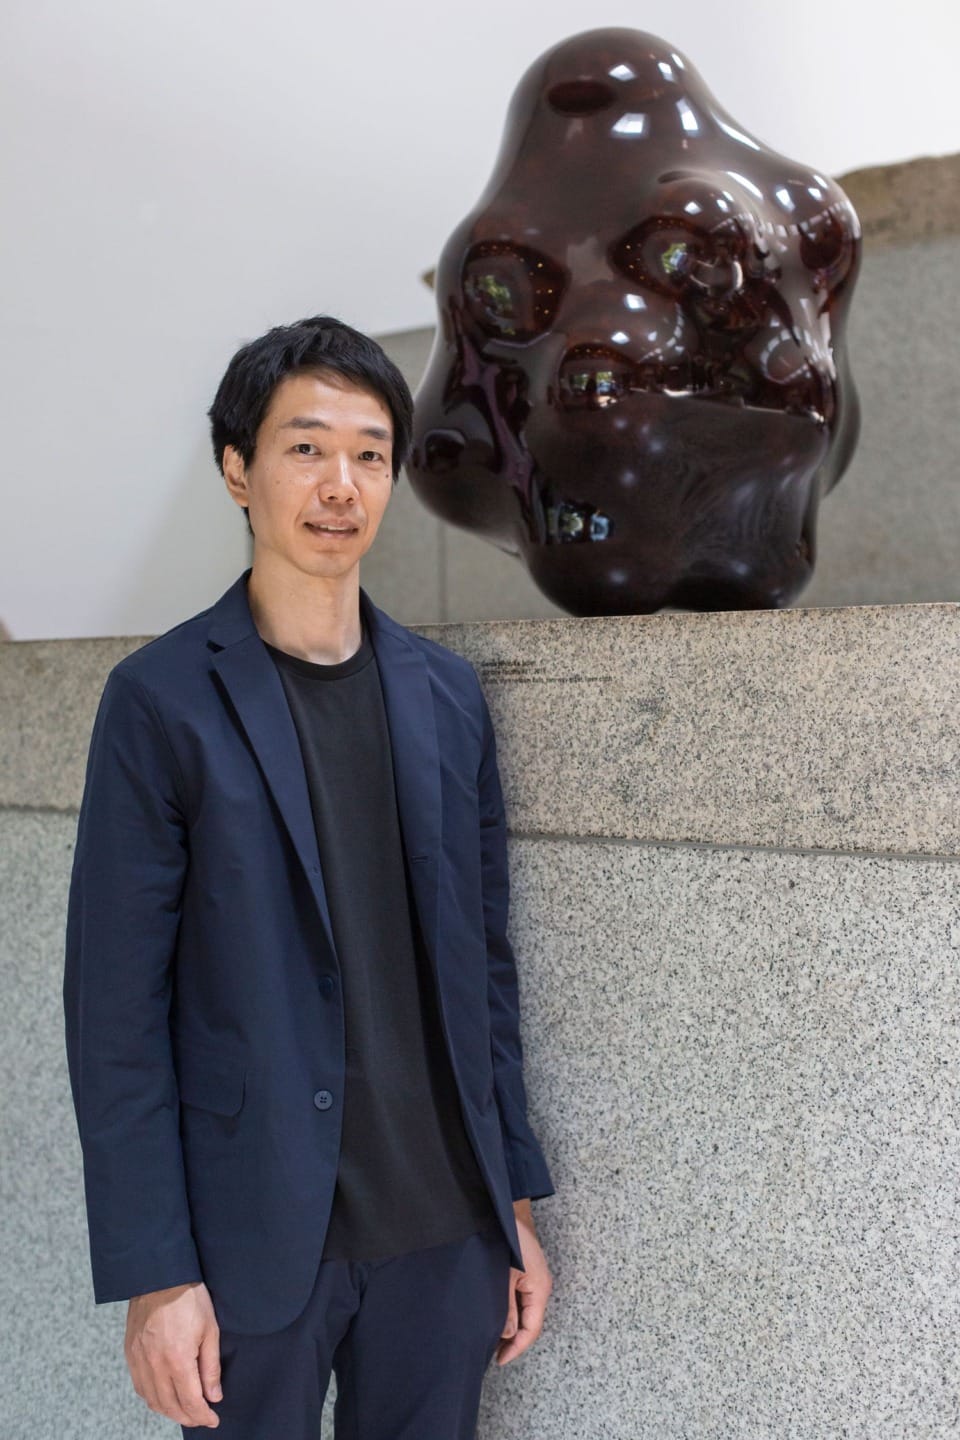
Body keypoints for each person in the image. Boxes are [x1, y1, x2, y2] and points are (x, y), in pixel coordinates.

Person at [63, 315, 556, 1438]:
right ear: (238, 469)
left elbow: (484, 970)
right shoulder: (161, 701)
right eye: (306, 448)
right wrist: (155, 1273)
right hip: (249, 1251)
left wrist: (512, 1201)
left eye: (370, 454)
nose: (341, 485)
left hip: (444, 1238)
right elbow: (114, 1014)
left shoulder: (446, 697)